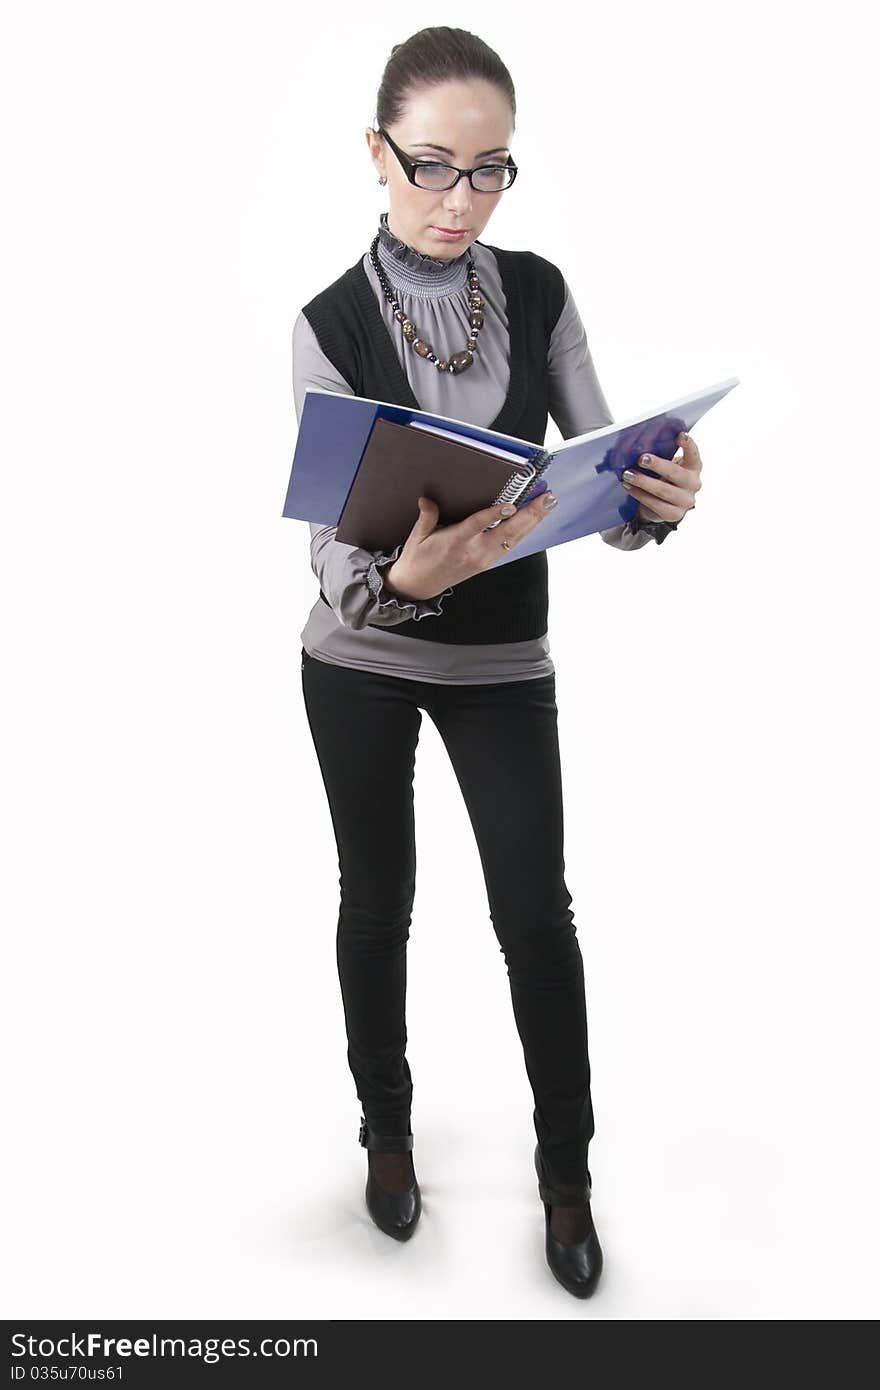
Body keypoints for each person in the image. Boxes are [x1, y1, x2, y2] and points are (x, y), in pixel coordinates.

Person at [291, 26, 701, 1299]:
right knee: (378, 899)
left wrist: (654, 495)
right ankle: (388, 1131)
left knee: (536, 916)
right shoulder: (326, 324)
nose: (460, 200)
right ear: (376, 153)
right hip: (359, 657)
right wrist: (409, 579)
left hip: (504, 658)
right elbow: (335, 557)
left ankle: (566, 1180)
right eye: (431, 167)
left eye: (490, 170)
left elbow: (601, 478)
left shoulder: (538, 292)